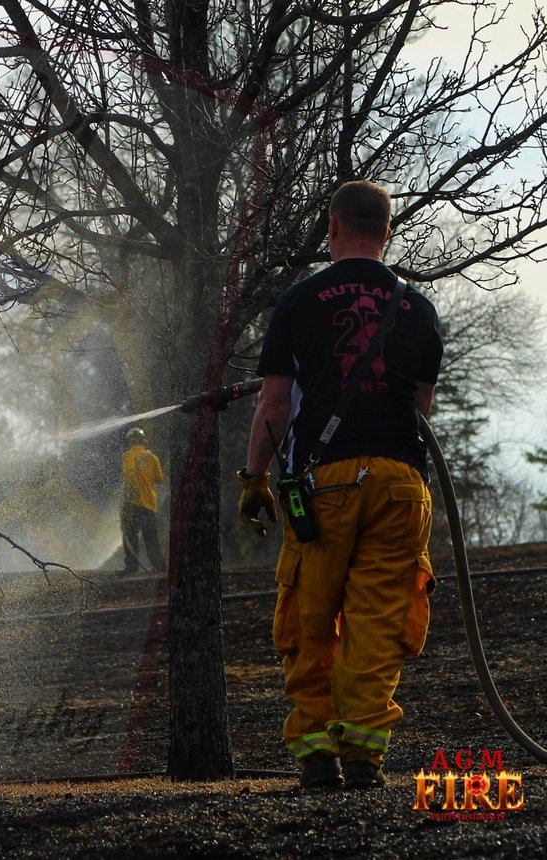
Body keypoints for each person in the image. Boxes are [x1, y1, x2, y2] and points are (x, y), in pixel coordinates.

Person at [236, 179, 443, 791]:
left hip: (323, 484)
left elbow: (274, 403)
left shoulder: (300, 301)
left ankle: (316, 755)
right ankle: (364, 756)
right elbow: (421, 409)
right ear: (387, 231)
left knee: (310, 617)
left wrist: (255, 479)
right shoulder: (417, 307)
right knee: (378, 623)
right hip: (402, 483)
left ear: (332, 228)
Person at [121, 427, 165, 575]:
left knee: (130, 535)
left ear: (129, 441)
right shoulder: (153, 458)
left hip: (132, 503)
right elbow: (159, 479)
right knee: (151, 536)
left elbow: (128, 476)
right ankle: (158, 567)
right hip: (149, 504)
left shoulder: (127, 456)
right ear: (143, 441)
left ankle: (131, 567)